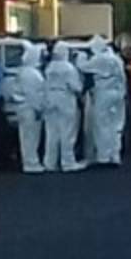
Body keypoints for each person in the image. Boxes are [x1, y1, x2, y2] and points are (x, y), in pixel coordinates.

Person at [76, 37, 128, 167]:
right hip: (118, 94)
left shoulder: (99, 59)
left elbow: (83, 67)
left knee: (101, 125)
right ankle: (115, 155)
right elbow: (123, 78)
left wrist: (80, 56)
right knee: (115, 125)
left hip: (103, 93)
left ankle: (103, 156)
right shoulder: (117, 59)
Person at [43, 43, 84, 172]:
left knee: (51, 133)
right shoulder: (69, 68)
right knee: (67, 132)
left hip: (50, 98)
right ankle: (68, 162)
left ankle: (50, 162)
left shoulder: (49, 68)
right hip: (65, 99)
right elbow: (76, 87)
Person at [12, 44, 46, 174]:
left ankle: (29, 161)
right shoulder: (31, 74)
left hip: (24, 107)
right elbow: (33, 94)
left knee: (26, 137)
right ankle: (31, 162)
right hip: (30, 108)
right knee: (31, 137)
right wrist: (38, 109)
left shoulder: (23, 71)